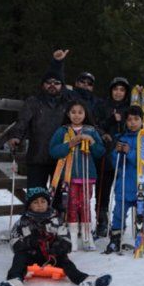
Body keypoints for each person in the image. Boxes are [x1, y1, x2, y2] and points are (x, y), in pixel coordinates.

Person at [0, 187, 111, 286]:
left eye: (43, 201)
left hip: (51, 255)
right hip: (31, 254)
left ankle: (85, 280)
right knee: (19, 258)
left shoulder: (56, 220)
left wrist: (60, 246)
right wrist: (28, 242)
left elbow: (66, 239)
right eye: (35, 202)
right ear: (29, 205)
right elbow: (14, 242)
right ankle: (14, 280)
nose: (40, 205)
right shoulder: (22, 222)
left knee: (66, 262)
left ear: (48, 203)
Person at [8, 50, 72, 189]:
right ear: (43, 85)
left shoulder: (67, 103)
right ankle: (33, 211)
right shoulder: (34, 101)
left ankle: (57, 211)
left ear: (62, 85)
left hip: (60, 157)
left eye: (56, 82)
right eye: (48, 82)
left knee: (58, 198)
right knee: (35, 194)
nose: (52, 85)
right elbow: (22, 121)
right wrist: (15, 136)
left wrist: (58, 63)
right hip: (38, 155)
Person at [49, 100, 106, 251]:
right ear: (68, 114)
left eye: (80, 112)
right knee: (71, 205)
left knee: (85, 205)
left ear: (85, 114)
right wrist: (69, 144)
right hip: (69, 177)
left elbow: (100, 152)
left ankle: (87, 237)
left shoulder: (91, 130)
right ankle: (73, 238)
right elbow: (53, 151)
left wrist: (93, 142)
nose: (76, 115)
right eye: (73, 112)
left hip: (88, 175)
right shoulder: (62, 131)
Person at [102, 106, 144, 254]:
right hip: (124, 185)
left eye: (136, 119)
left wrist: (130, 152)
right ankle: (115, 239)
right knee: (118, 213)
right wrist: (117, 152)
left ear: (142, 121)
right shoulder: (121, 138)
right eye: (129, 120)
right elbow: (115, 163)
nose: (132, 123)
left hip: (143, 185)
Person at [93, 77, 132, 239]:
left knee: (123, 188)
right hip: (106, 151)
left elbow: (134, 126)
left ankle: (119, 221)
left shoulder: (130, 108)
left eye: (122, 90)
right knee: (103, 188)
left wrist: (122, 121)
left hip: (124, 151)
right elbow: (95, 124)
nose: (118, 92)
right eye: (116, 89)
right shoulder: (102, 105)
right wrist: (109, 122)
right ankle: (101, 220)